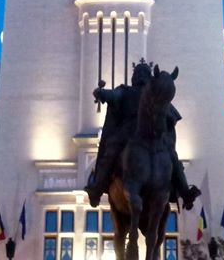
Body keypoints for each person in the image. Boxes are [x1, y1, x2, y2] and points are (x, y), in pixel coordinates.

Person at [84, 60, 200, 210]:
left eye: (141, 73)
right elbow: (113, 95)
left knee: (170, 156)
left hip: (139, 132)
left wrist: (101, 93)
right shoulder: (134, 92)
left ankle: (97, 188)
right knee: (171, 156)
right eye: (138, 73)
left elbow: (168, 111)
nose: (139, 76)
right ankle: (185, 192)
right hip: (138, 133)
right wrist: (102, 93)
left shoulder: (145, 93)